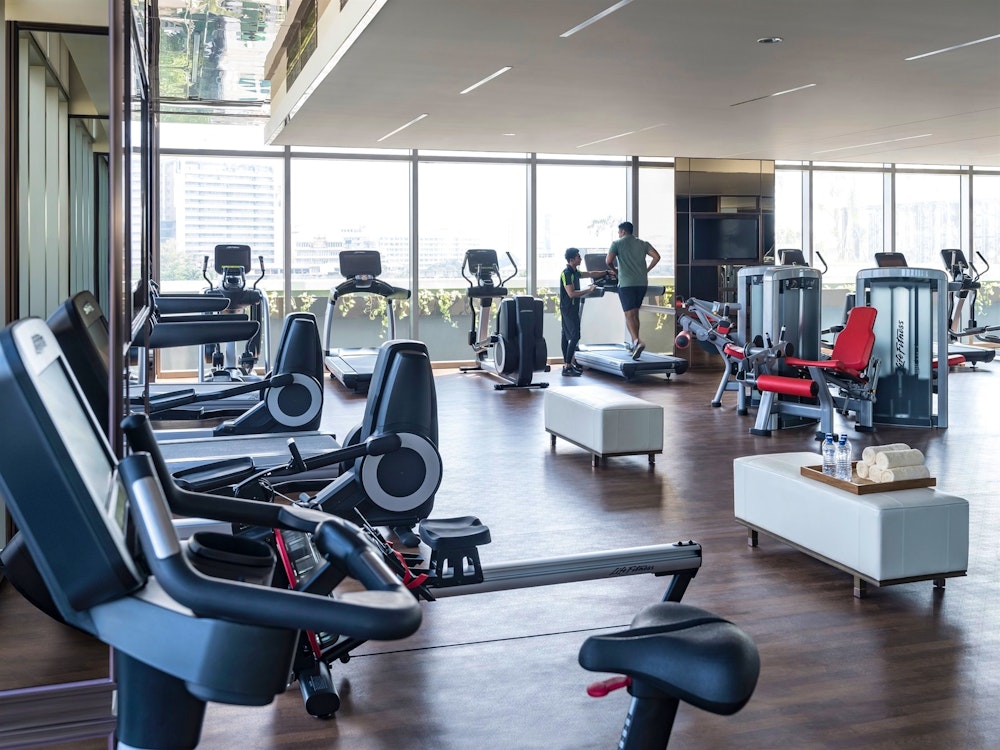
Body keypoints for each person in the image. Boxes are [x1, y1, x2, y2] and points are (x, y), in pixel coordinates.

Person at [606, 221, 660, 359]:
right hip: (642, 283)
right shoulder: (643, 243)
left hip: (626, 283)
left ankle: (637, 341)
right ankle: (634, 342)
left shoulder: (617, 243)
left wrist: (616, 271)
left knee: (629, 315)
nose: (619, 234)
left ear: (623, 231)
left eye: (619, 232)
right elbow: (656, 257)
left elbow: (608, 261)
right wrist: (646, 270)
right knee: (635, 313)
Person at [559, 248, 608, 376]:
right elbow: (571, 294)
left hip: (571, 308)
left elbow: (591, 273)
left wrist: (606, 272)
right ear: (571, 260)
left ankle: (567, 365)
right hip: (568, 308)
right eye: (578, 257)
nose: (580, 259)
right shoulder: (567, 273)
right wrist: (589, 290)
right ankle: (568, 366)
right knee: (575, 336)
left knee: (565, 336)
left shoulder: (575, 272)